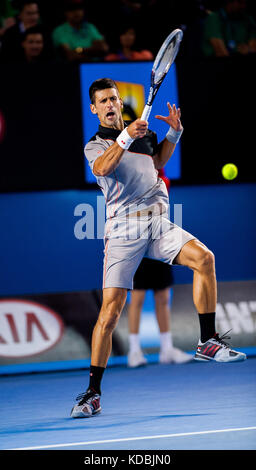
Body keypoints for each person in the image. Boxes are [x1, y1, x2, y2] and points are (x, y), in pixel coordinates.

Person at [70, 77, 246, 419]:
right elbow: (102, 168)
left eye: (113, 99)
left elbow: (158, 162)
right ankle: (92, 392)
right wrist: (126, 136)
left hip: (157, 221)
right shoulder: (95, 144)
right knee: (109, 312)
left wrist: (174, 134)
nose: (108, 105)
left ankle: (207, 340)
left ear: (120, 103)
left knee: (204, 259)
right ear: (94, 109)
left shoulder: (144, 135)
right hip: (123, 229)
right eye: (102, 101)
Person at [127, 169, 192, 367]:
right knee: (136, 298)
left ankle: (167, 349)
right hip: (137, 242)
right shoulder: (130, 175)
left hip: (158, 241)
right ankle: (134, 351)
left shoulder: (162, 179)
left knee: (163, 297)